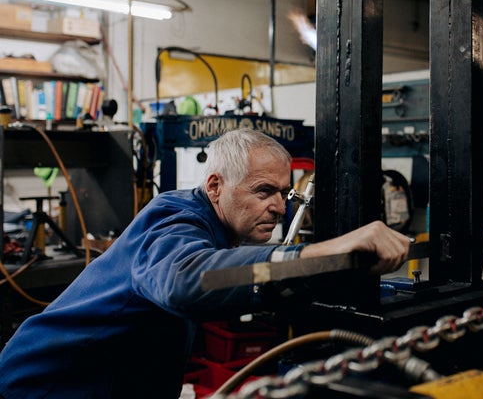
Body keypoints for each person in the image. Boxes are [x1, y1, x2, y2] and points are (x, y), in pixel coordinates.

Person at [0, 128, 411, 399]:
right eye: (263, 191)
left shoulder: (217, 230)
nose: (279, 207)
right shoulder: (174, 217)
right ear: (215, 185)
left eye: (283, 193)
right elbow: (184, 280)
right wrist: (325, 253)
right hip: (42, 387)